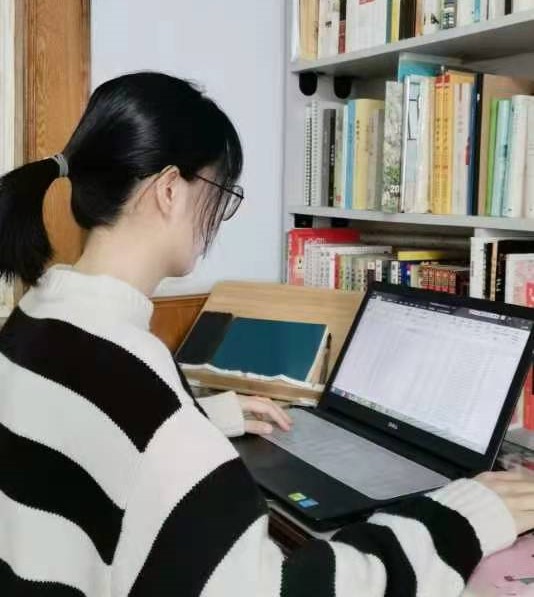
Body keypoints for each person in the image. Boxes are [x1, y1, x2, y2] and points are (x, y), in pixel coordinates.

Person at [0, 72, 533, 597]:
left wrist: (202, 419)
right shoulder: (137, 380)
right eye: (219, 191)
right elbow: (276, 589)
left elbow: (85, 434)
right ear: (169, 190)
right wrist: (467, 517)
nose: (219, 215)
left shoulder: (38, 318)